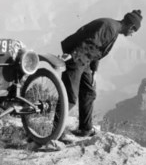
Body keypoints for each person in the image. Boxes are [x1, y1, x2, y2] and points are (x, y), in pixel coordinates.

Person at [60, 9, 143, 138]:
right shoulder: (109, 27)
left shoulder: (114, 29)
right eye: (133, 31)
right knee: (69, 98)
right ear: (131, 26)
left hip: (85, 60)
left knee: (89, 92)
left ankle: (85, 129)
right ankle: (54, 131)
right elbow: (89, 43)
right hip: (76, 58)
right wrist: (72, 55)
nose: (131, 34)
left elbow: (97, 52)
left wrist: (94, 72)